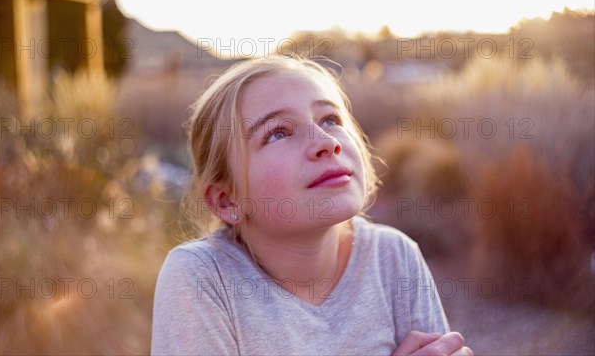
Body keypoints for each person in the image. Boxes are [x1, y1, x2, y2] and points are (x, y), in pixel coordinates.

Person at [151, 55, 472, 356]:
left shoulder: (393, 257)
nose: (326, 142)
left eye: (331, 119)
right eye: (278, 133)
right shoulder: (203, 278)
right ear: (226, 199)